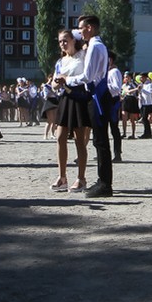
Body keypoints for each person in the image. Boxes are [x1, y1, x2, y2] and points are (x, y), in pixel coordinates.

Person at [56, 15, 113, 198]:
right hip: (97, 94)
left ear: (89, 28)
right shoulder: (96, 45)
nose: (79, 32)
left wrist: (67, 80)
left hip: (97, 95)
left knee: (100, 141)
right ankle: (103, 181)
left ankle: (105, 184)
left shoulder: (94, 47)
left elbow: (87, 76)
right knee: (98, 140)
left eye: (81, 28)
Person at [51, 30, 91, 192]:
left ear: (74, 40)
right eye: (60, 41)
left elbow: (87, 74)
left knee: (79, 140)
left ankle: (81, 178)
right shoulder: (60, 61)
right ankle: (62, 177)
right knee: (60, 137)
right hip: (65, 98)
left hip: (79, 97)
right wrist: (57, 82)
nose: (63, 44)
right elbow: (53, 85)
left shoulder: (83, 56)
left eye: (65, 40)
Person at [107, 52, 124, 162]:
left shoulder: (114, 72)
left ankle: (117, 153)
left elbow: (117, 88)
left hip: (112, 101)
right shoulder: (106, 72)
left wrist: (104, 86)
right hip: (106, 101)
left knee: (114, 128)